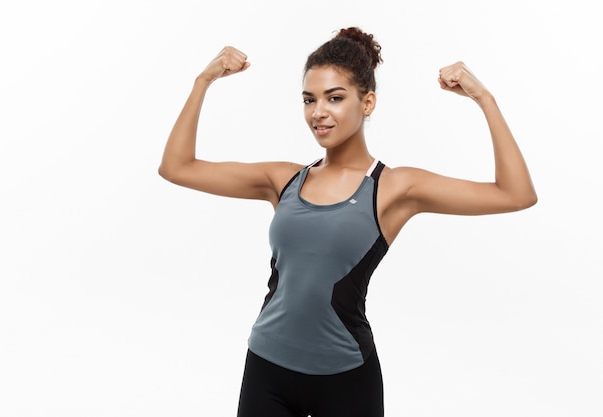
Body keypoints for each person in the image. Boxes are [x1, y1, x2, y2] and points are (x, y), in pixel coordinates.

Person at [158, 27, 537, 417]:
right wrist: (203, 81)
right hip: (266, 368)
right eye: (309, 99)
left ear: (367, 102)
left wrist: (484, 99)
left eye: (334, 98)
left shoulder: (394, 188)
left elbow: (516, 194)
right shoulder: (284, 180)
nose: (318, 112)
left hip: (345, 380)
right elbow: (176, 167)